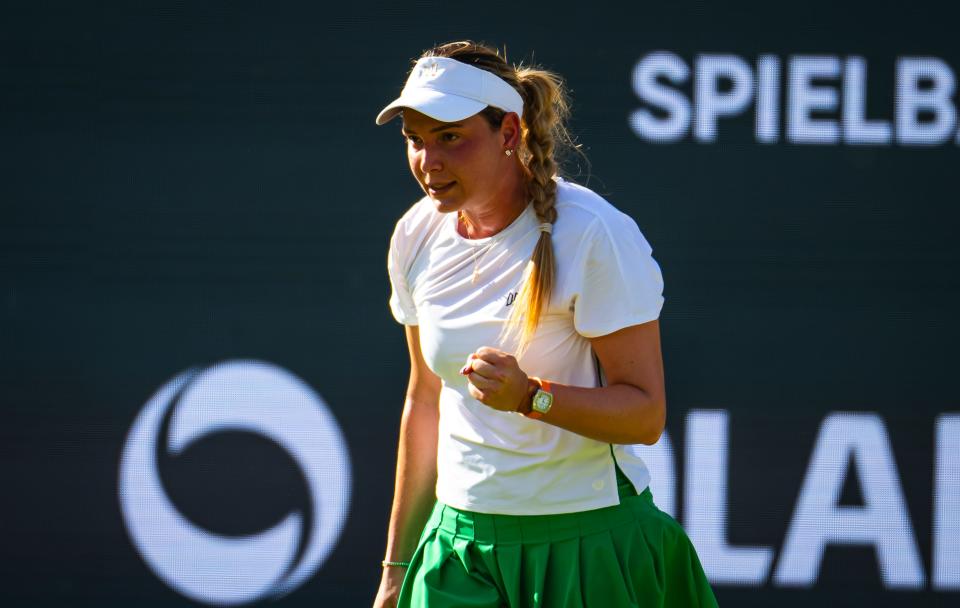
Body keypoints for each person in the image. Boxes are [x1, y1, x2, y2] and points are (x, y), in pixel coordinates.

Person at [372, 41, 718, 608]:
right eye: (415, 140)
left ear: (509, 133)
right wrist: (396, 566)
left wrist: (531, 397)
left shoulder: (594, 233)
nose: (428, 163)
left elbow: (645, 413)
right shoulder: (415, 237)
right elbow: (425, 399)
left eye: (450, 138)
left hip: (589, 541)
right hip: (459, 551)